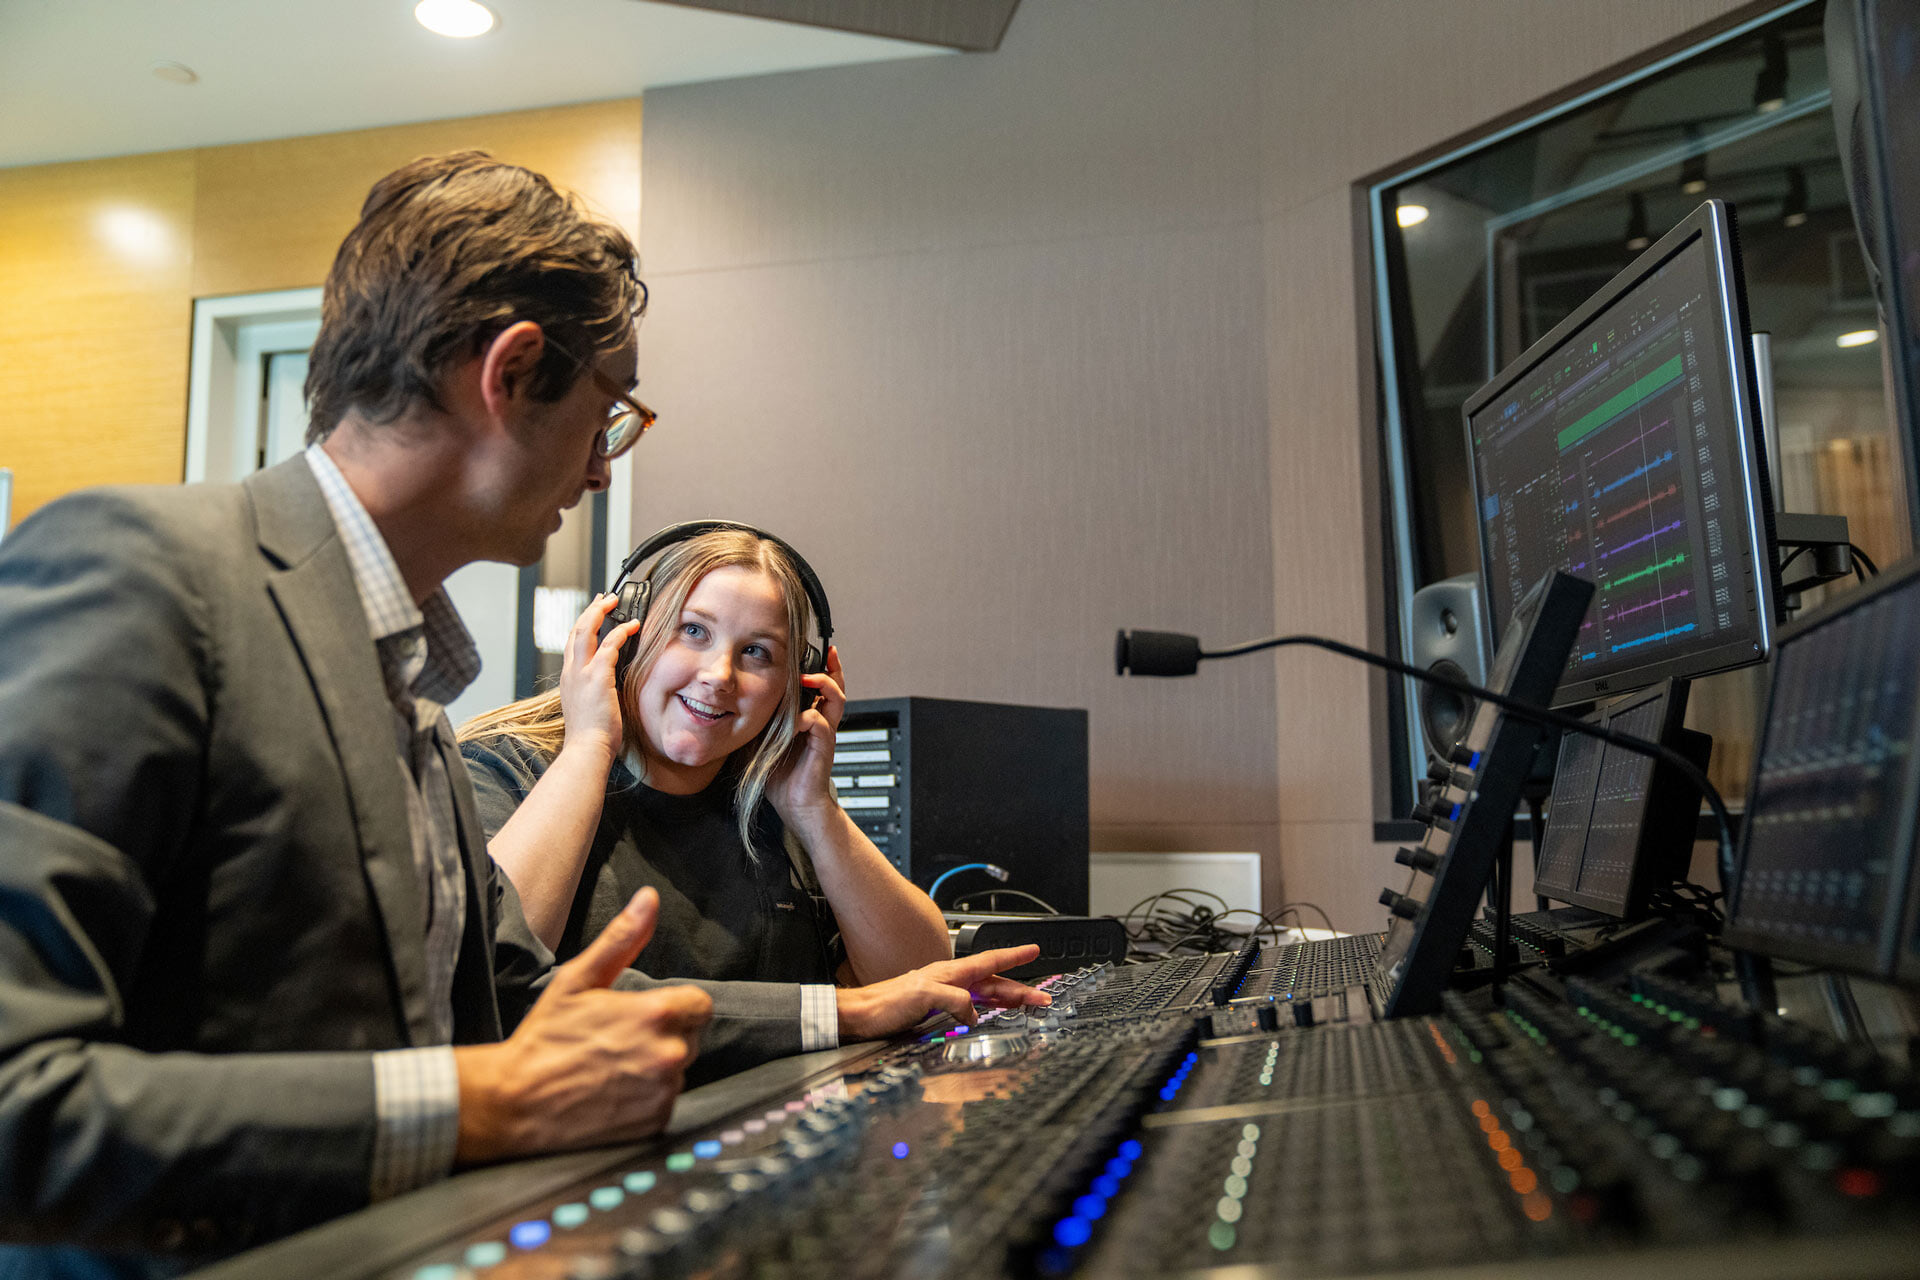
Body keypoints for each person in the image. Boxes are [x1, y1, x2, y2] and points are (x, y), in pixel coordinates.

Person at [0, 150, 1039, 1276]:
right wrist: (472, 1103)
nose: (601, 470)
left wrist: (853, 1014)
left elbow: (520, 992)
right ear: (513, 371)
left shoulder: (406, 690)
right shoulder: (143, 575)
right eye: (609, 416)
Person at [461, 525, 1030, 1045]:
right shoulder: (500, 773)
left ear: (800, 688)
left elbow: (921, 983)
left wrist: (814, 809)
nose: (719, 676)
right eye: (692, 631)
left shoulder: (773, 810)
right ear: (622, 638)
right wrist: (590, 746)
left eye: (757, 652)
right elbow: (488, 977)